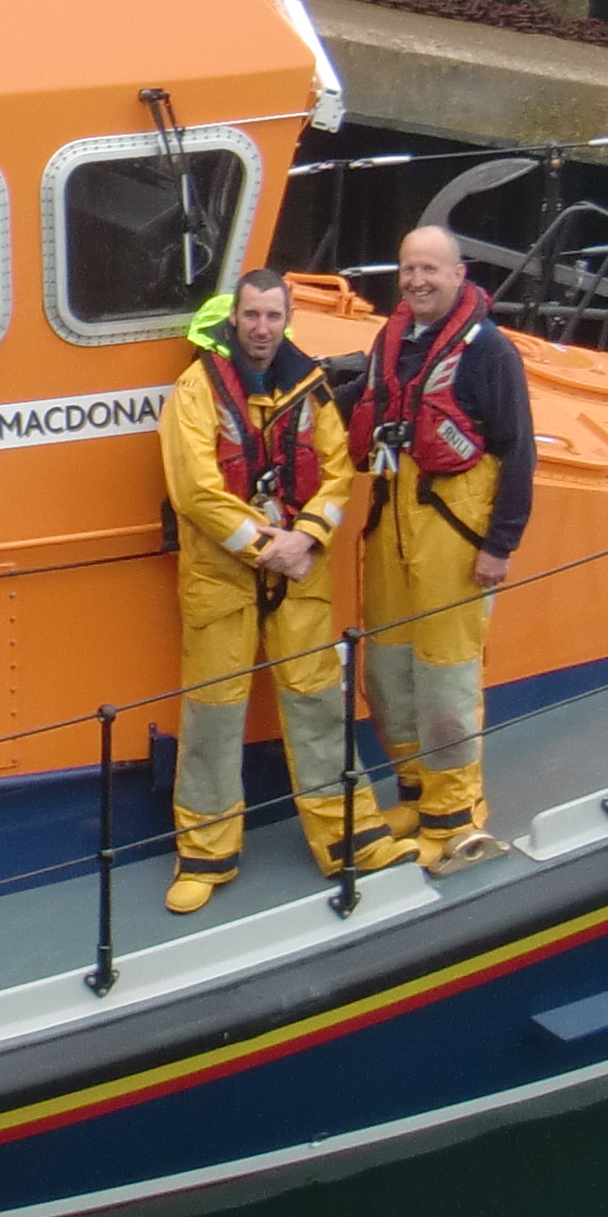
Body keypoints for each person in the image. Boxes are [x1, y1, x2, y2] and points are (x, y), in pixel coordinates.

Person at [159, 270, 403, 911]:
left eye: (272, 316)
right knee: (213, 713)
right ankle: (205, 854)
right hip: (224, 579)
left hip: (300, 572)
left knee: (319, 703)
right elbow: (196, 491)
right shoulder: (195, 391)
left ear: (284, 319)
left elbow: (337, 474)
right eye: (252, 316)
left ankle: (351, 836)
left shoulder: (312, 389)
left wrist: (308, 538)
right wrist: (272, 548)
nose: (262, 328)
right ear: (233, 321)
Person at [344, 226, 538, 868]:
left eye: (430, 269)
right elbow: (364, 401)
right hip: (392, 526)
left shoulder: (491, 353)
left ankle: (455, 814)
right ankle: (416, 791)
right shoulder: (392, 340)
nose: (417, 280)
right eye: (407, 269)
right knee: (387, 671)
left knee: (446, 677)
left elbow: (518, 451)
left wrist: (500, 544)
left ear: (459, 274)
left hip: (453, 534)